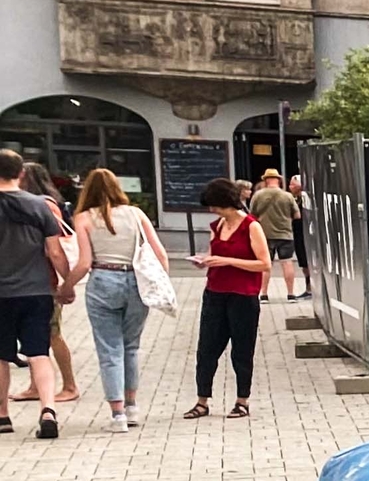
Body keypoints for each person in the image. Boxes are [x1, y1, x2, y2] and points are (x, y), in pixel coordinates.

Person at [71, 168, 167, 431]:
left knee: (109, 349)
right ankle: (132, 406)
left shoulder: (83, 218)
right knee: (131, 346)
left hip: (103, 280)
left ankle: (117, 415)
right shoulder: (136, 214)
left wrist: (66, 287)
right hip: (135, 281)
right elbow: (160, 253)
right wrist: (162, 285)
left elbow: (83, 263)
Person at [0, 151, 74, 438]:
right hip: (36, 291)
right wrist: (67, 284)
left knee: (1, 357)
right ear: (20, 174)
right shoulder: (40, 206)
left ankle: (3, 416)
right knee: (39, 352)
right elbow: (54, 251)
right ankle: (48, 410)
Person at [187, 178, 269, 420]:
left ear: (227, 202)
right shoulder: (217, 225)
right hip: (215, 292)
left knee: (242, 350)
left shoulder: (251, 227)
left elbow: (264, 263)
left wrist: (228, 261)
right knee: (207, 349)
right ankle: (202, 401)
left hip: (243, 295)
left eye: (216, 205)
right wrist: (205, 260)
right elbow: (216, 254)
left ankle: (242, 400)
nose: (212, 210)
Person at [251, 168, 302, 303]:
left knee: (266, 264)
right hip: (285, 234)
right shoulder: (287, 196)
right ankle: (290, 294)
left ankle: (264, 295)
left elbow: (252, 215)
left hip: (265, 234)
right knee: (287, 262)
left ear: (266, 180)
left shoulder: (258, 195)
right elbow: (297, 215)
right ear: (278, 180)